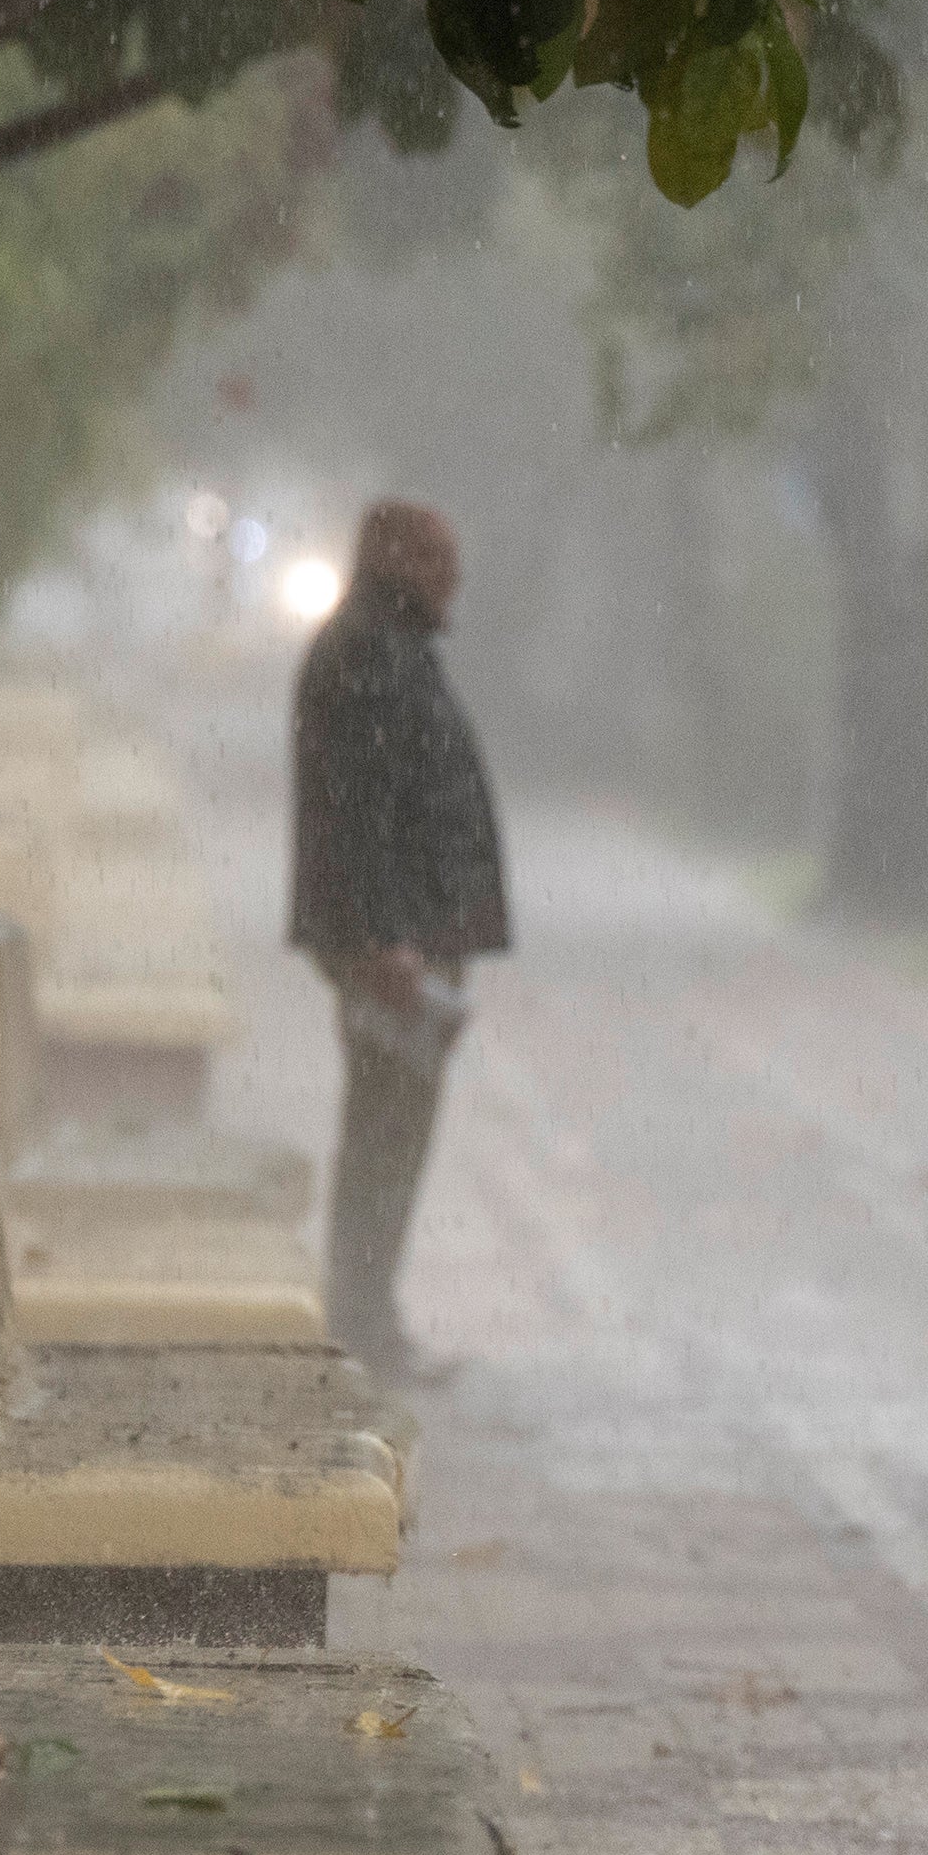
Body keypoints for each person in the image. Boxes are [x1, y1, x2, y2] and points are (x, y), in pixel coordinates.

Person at [288, 501, 509, 1388]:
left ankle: (368, 1315)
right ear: (399, 561)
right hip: (394, 943)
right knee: (387, 1131)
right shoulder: (371, 654)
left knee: (389, 1128)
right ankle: (363, 1323)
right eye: (439, 559)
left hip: (402, 931)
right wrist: (382, 939)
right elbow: (360, 811)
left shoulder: (384, 646)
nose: (456, 578)